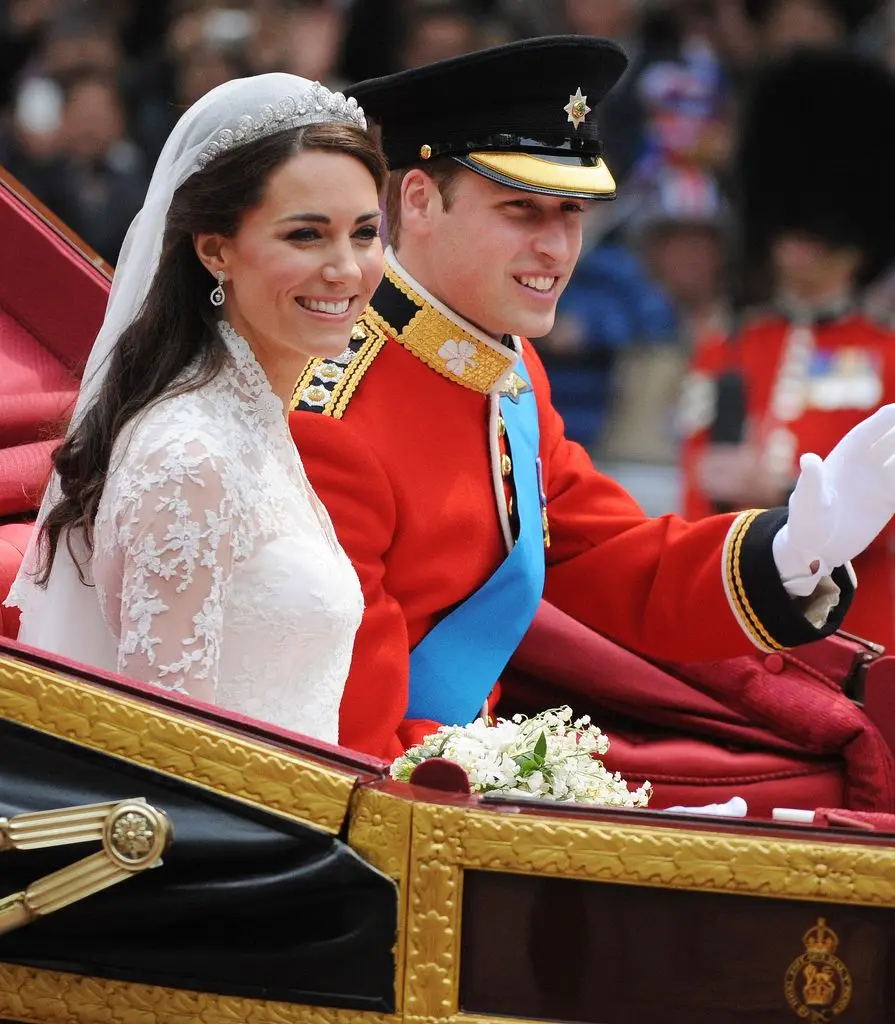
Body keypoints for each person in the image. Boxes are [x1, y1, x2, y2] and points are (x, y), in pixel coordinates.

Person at [289, 35, 895, 762]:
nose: (556, 247)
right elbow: (346, 735)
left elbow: (609, 556)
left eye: (571, 214)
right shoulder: (333, 409)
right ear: (418, 201)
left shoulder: (510, 371)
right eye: (521, 210)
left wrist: (790, 548)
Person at [5, 72, 387, 744]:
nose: (346, 269)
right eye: (305, 235)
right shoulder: (190, 454)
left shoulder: (249, 419)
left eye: (363, 233)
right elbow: (169, 758)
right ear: (215, 249)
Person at [681, 48, 895, 650]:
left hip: (862, 629)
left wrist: (783, 496)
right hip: (742, 618)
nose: (798, 241)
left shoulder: (886, 353)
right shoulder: (726, 347)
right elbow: (697, 493)